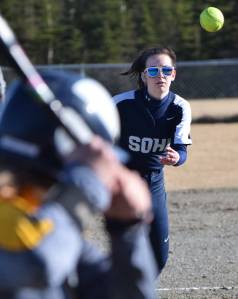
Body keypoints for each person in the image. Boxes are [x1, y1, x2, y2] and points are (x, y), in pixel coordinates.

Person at [0, 70, 157, 299]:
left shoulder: (52, 224)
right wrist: (87, 184)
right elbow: (34, 266)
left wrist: (127, 230)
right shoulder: (32, 228)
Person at [113, 46, 192, 275]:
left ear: (173, 74)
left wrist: (178, 158)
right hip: (123, 183)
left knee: (159, 256)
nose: (161, 76)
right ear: (144, 75)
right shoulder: (120, 104)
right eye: (154, 70)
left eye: (166, 70)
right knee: (126, 251)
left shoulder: (180, 107)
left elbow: (181, 149)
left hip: (154, 181)